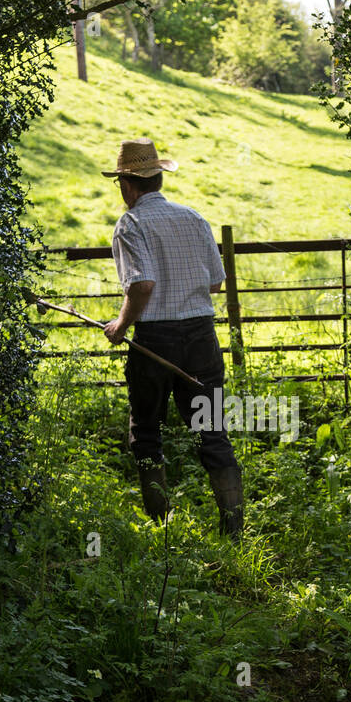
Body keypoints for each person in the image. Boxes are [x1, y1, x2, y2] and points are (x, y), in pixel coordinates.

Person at [102, 137, 244, 538]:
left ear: (128, 185)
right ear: (158, 179)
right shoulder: (194, 218)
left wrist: (120, 326)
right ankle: (233, 531)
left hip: (154, 342)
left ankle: (160, 527)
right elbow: (216, 283)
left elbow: (141, 285)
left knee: (146, 430)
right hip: (200, 337)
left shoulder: (131, 223)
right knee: (210, 429)